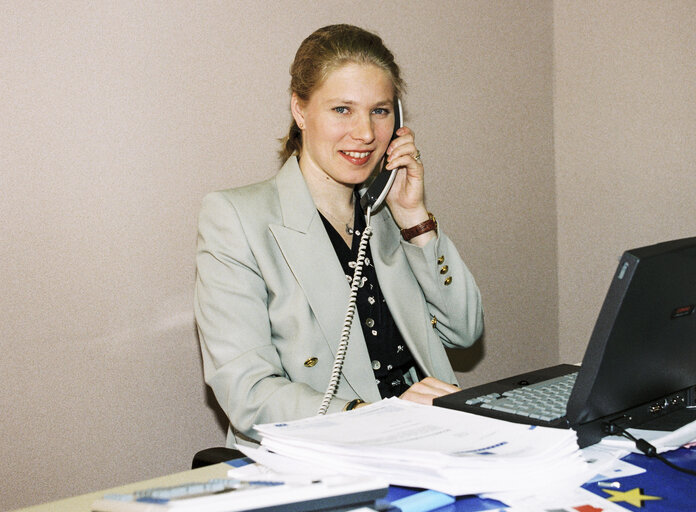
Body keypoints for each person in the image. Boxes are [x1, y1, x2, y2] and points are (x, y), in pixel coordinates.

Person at [194, 24, 483, 446]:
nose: (365, 133)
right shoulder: (237, 217)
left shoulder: (387, 216)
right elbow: (247, 391)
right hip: (323, 453)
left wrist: (415, 219)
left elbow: (465, 329)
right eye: (342, 110)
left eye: (380, 111)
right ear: (300, 110)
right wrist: (378, 417)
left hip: (425, 443)